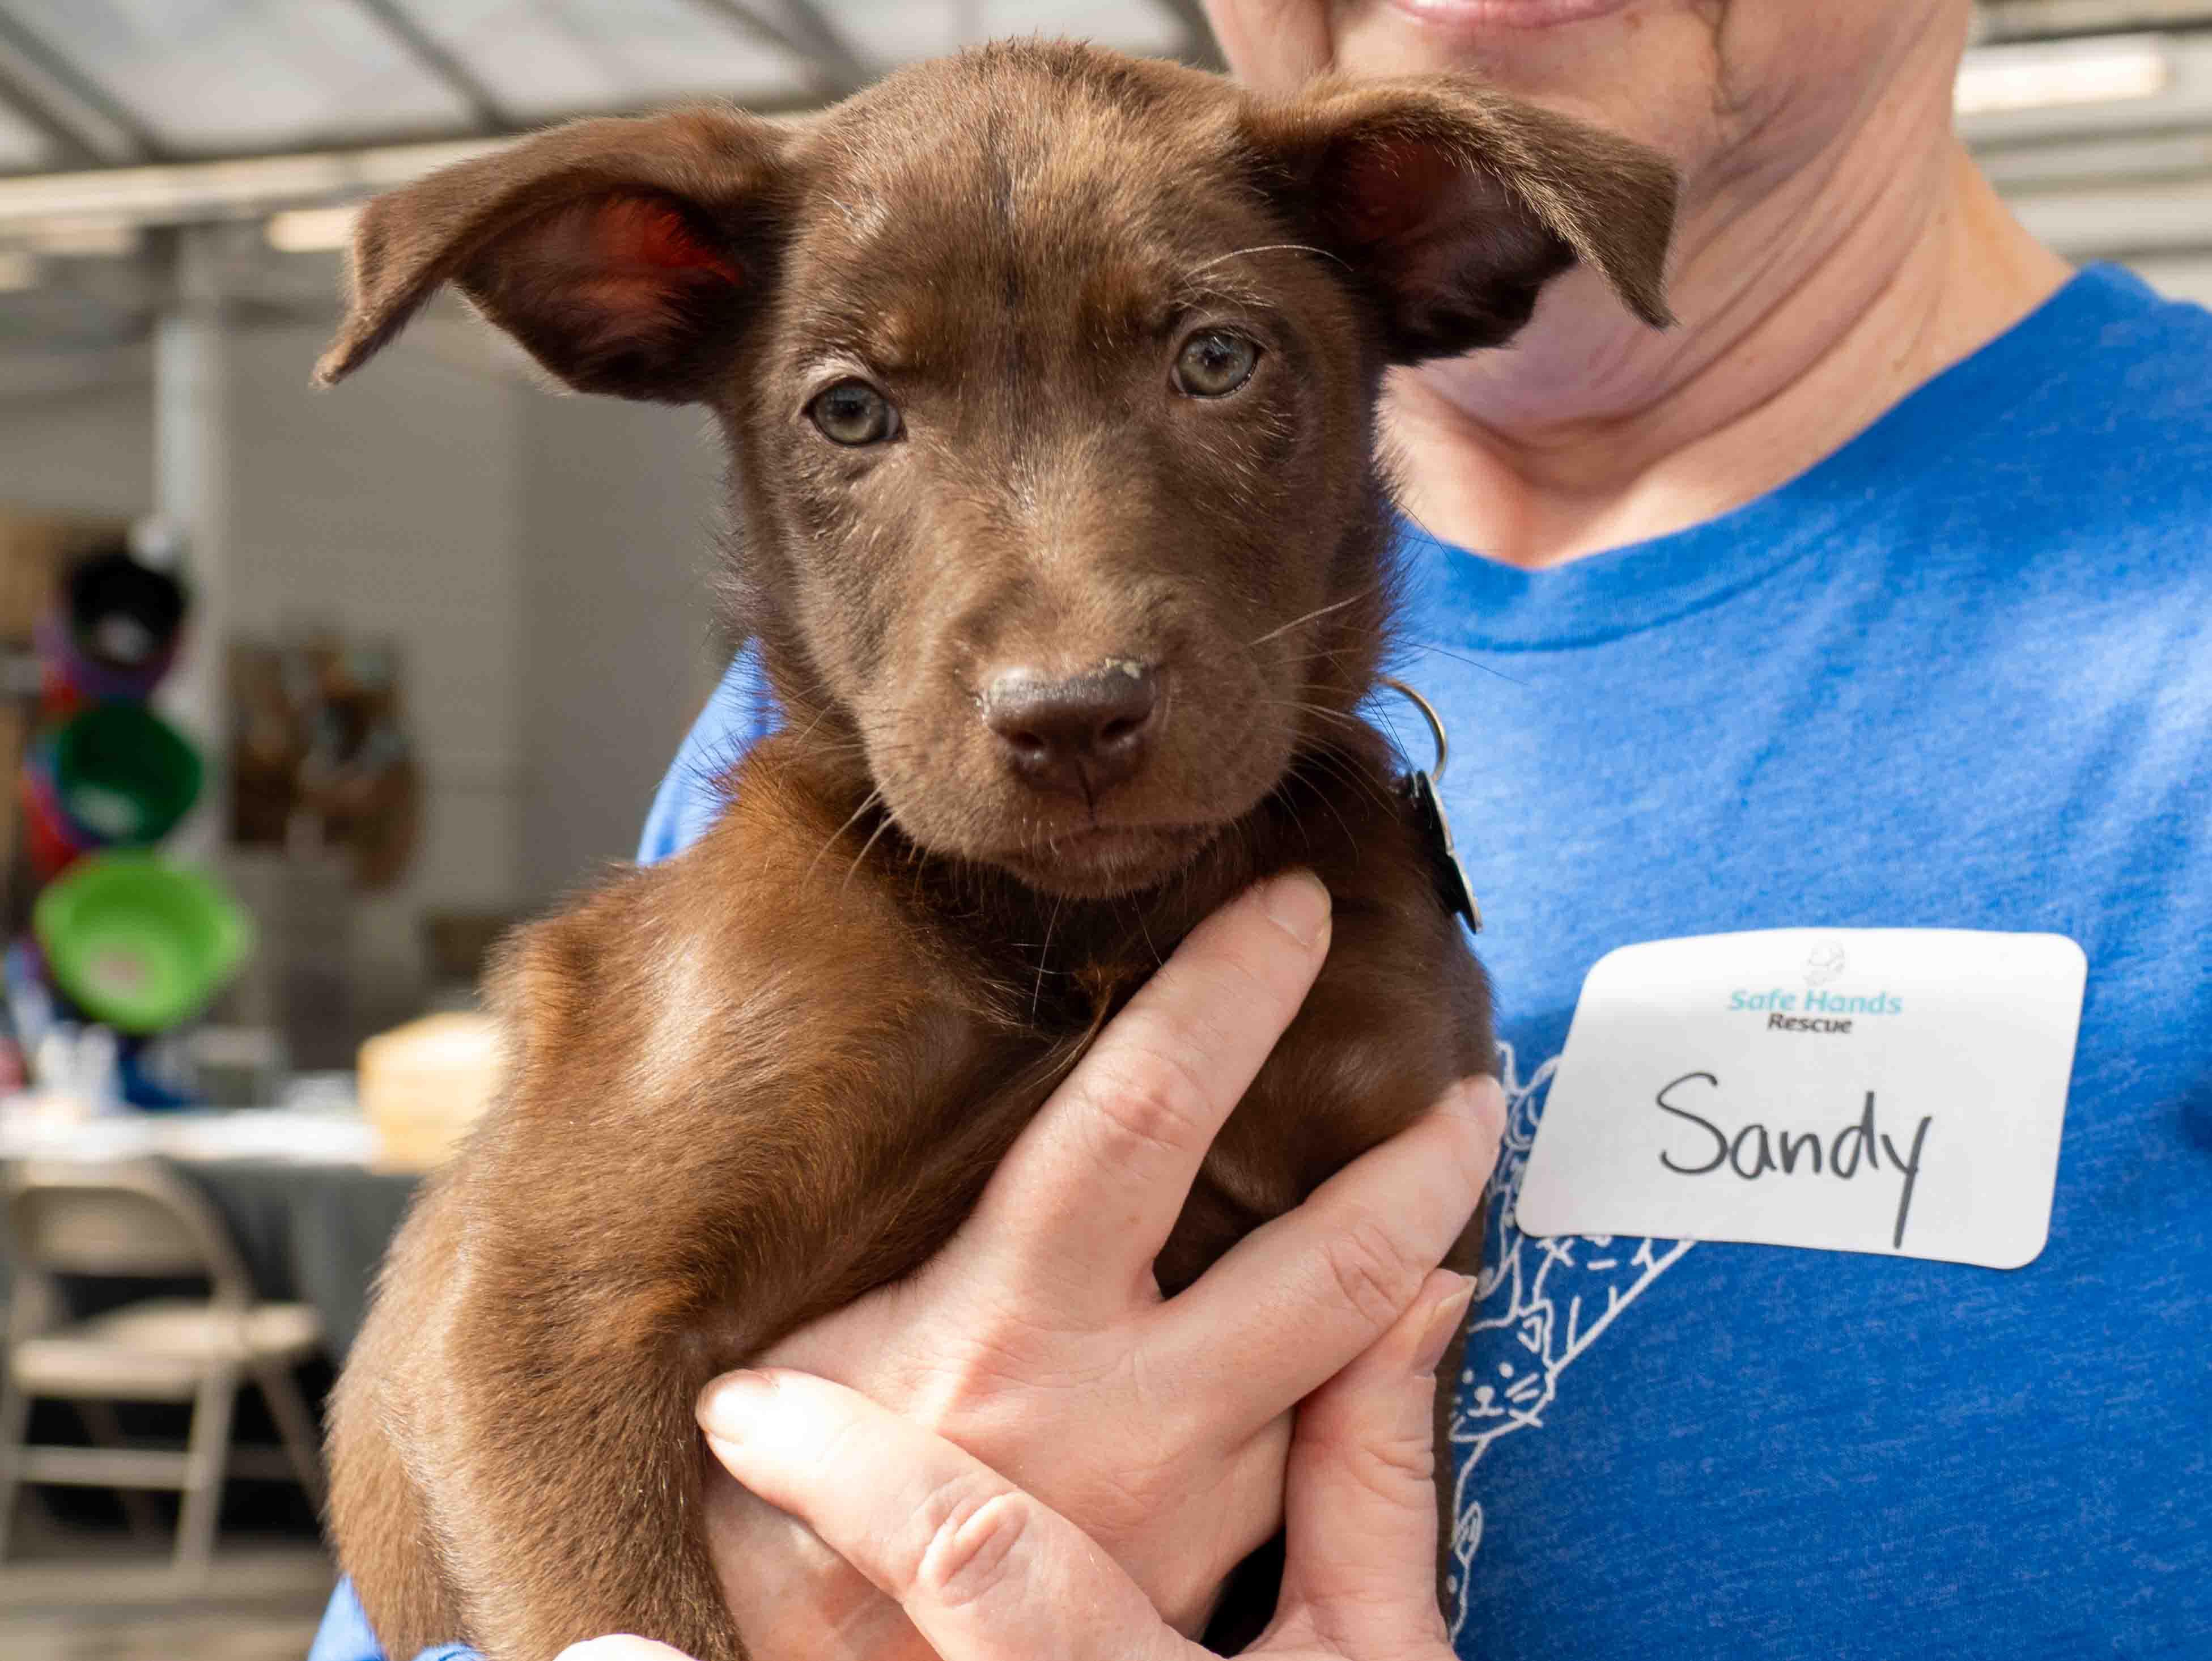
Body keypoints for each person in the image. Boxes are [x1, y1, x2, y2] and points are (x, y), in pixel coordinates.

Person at [315, 1, 2212, 1656]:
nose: (1055, 642)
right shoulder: (839, 765)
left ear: (1439, 237)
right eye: (858, 415)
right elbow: (471, 1444)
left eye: (1214, 361)